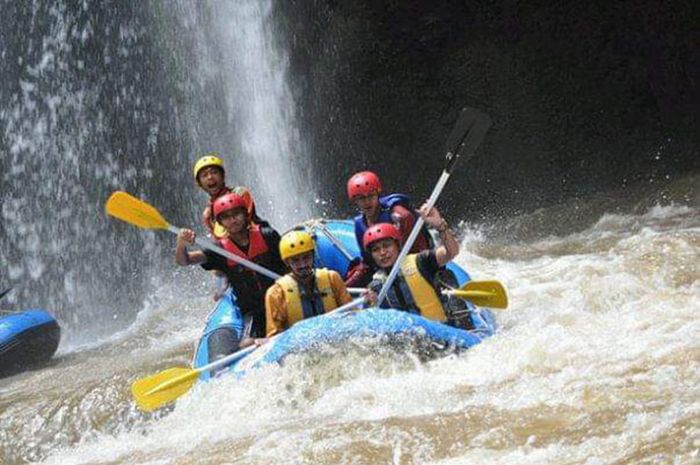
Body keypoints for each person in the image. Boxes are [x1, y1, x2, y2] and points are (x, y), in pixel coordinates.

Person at [175, 192, 286, 354]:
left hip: (281, 300)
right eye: (226, 217)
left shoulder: (266, 235)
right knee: (246, 344)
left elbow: (289, 261)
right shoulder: (219, 250)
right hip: (254, 311)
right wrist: (181, 244)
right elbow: (184, 260)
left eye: (236, 214)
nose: (233, 220)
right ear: (220, 222)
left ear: (245, 214)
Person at [363, 204, 473, 330]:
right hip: (413, 342)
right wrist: (371, 304)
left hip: (446, 331)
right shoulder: (375, 286)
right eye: (376, 249)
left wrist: (440, 227)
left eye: (387, 245)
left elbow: (452, 252)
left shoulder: (422, 261)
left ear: (397, 246)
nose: (382, 253)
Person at [345, 171, 433, 287]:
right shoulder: (359, 224)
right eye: (361, 198)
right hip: (384, 270)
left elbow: (420, 250)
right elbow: (368, 262)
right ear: (355, 201)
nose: (367, 202)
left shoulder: (400, 215)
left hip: (413, 265)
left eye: (371, 195)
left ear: (377, 194)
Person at [265, 230, 355, 337]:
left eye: (306, 257)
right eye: (295, 260)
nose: (302, 264)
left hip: (335, 337)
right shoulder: (276, 294)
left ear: (313, 255)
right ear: (287, 262)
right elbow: (273, 337)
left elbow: (352, 314)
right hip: (301, 346)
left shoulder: (332, 278)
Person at [193, 153, 266, 238]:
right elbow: (218, 240)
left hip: (256, 239)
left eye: (214, 172)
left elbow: (243, 224)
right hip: (231, 249)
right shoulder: (208, 215)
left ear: (223, 176)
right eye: (204, 175)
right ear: (200, 184)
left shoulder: (240, 193)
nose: (210, 177)